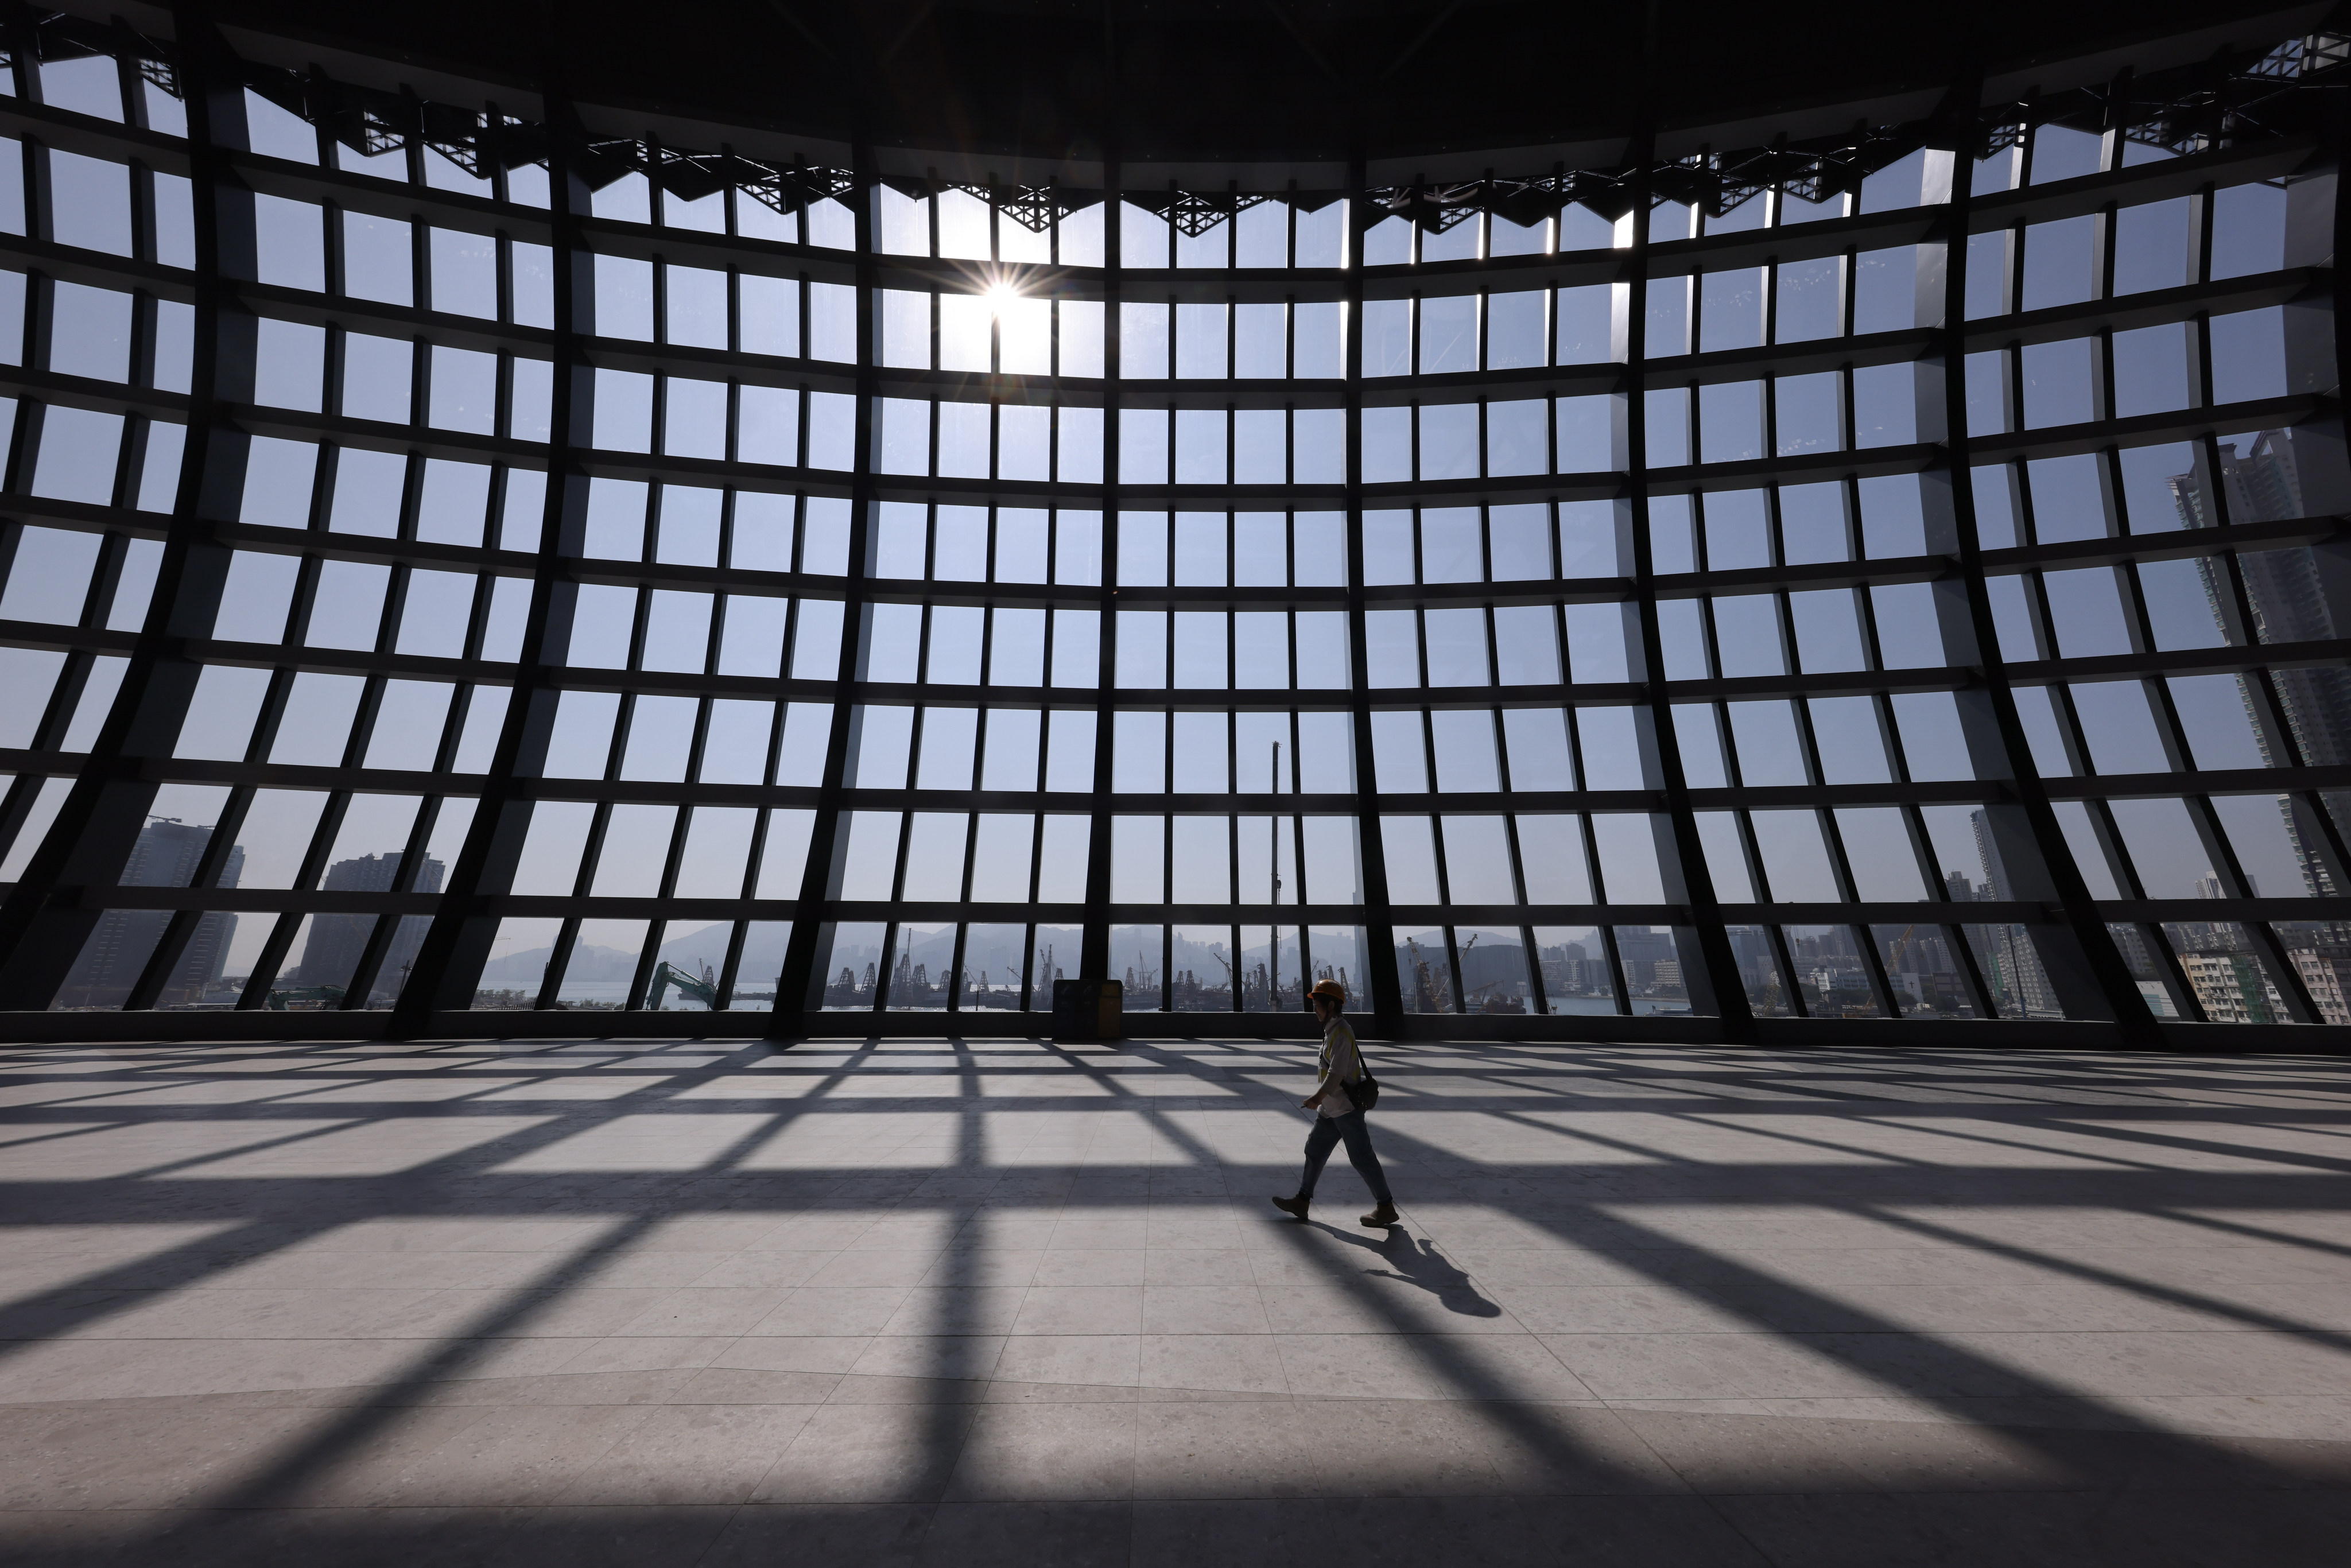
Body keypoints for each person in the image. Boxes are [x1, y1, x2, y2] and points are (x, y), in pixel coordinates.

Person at [1271, 978, 1398, 1227]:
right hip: (1330, 1110)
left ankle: (1386, 1206)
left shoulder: (1341, 1033)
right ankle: (1302, 1201)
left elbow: (1336, 1074)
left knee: (1362, 1158)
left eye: (1318, 1005)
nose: (1315, 1010)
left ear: (1331, 1005)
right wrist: (1322, 1102)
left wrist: (1316, 1098)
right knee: (1314, 1151)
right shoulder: (1332, 1029)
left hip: (1345, 1110)